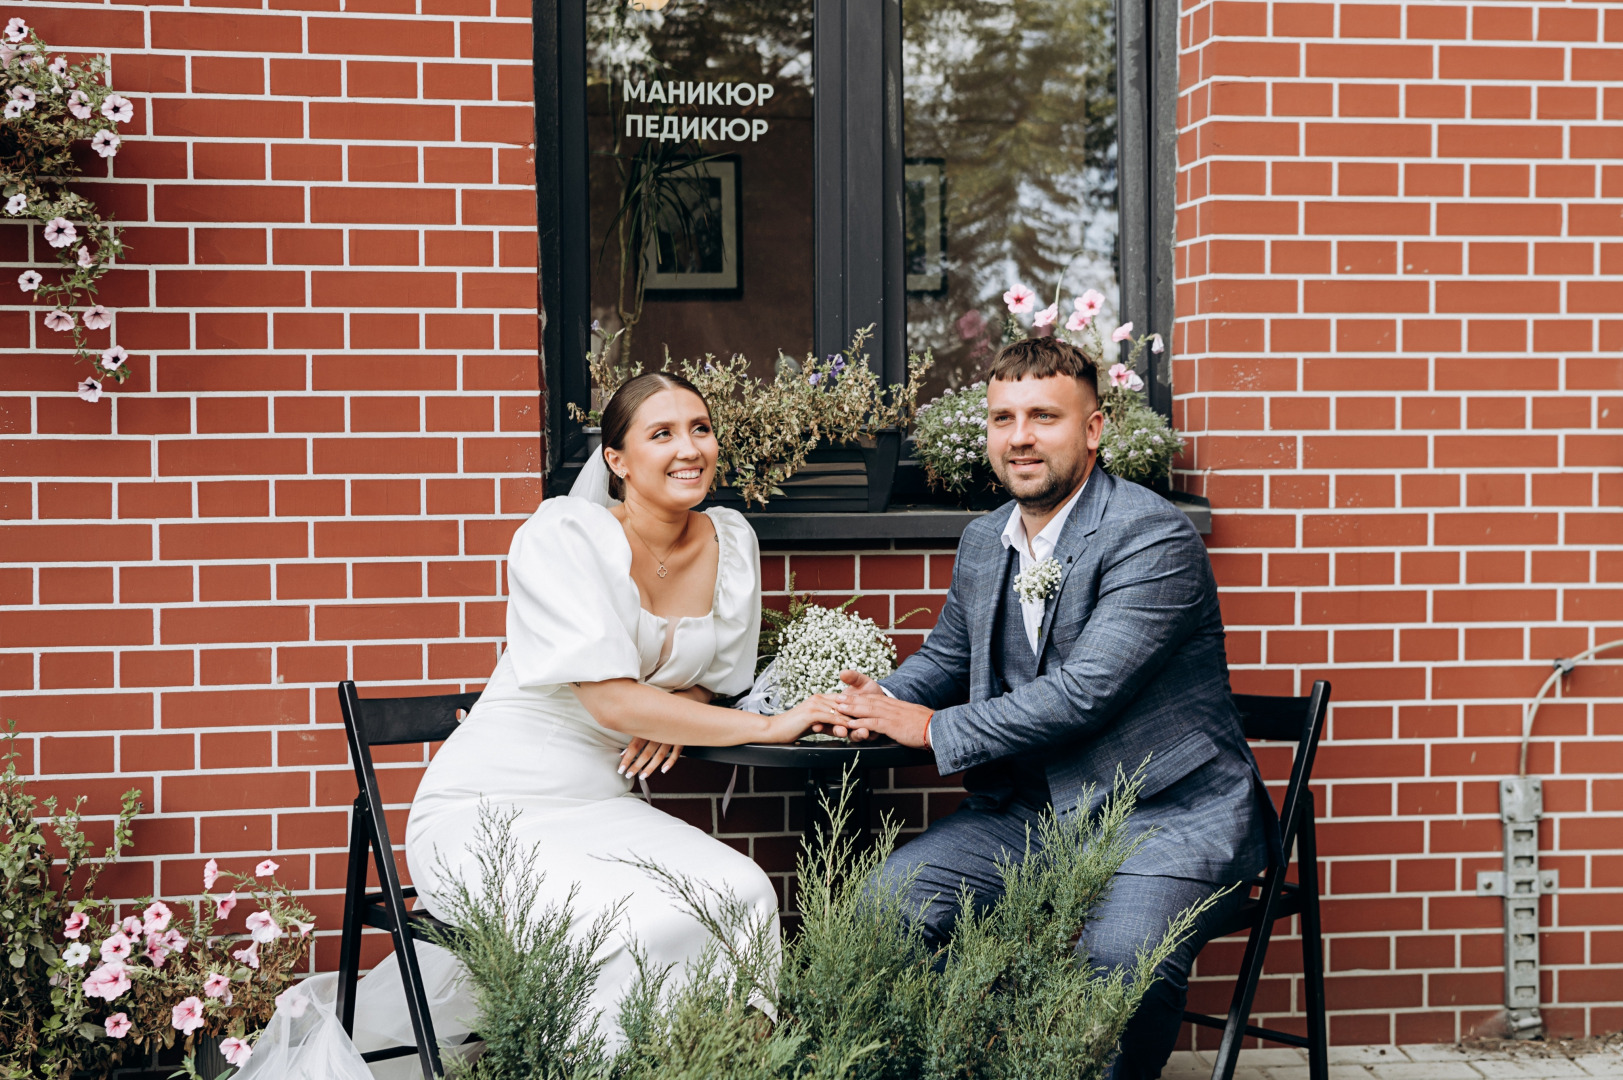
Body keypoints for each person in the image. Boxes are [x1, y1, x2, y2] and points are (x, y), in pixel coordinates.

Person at [820, 337, 1277, 1080]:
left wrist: (932, 729)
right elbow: (945, 659)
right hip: (1029, 813)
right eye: (1002, 418)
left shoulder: (1152, 535)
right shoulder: (982, 540)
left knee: (1120, 960)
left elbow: (1085, 691)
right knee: (881, 911)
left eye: (1042, 416)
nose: (1019, 437)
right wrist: (875, 702)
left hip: (1164, 814)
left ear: (1093, 429)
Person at [404, 371, 830, 1040]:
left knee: (743, 891)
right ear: (617, 461)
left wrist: (673, 704)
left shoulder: (730, 544)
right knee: (627, 919)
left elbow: (716, 674)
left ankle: (718, 1059)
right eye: (661, 434)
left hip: (604, 806)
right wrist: (770, 727)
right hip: (488, 811)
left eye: (700, 429)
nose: (689, 449)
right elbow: (608, 698)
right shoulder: (563, 538)